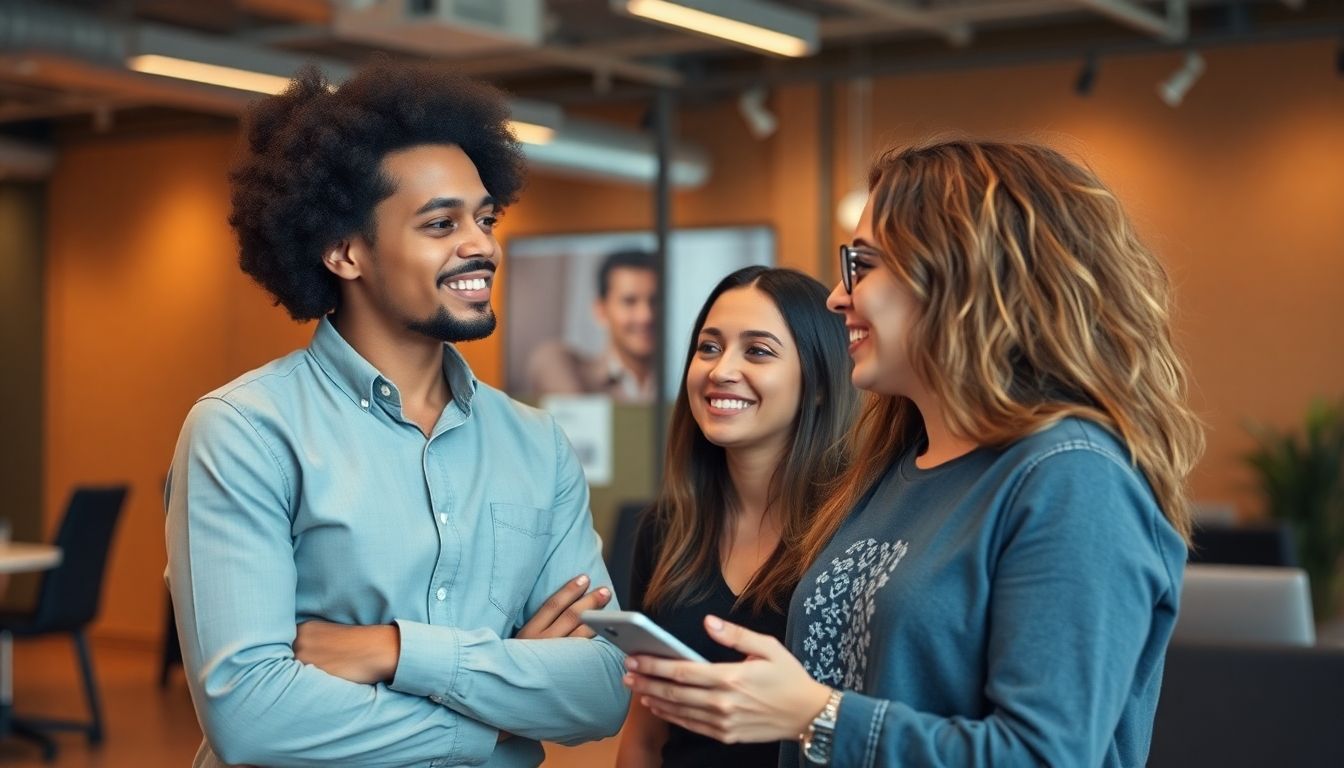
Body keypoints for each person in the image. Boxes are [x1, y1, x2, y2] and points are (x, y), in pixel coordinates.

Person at [623, 139, 1205, 767]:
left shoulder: (1072, 479)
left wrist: (812, 716)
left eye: (864, 266)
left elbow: (1046, 755)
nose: (837, 297)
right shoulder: (893, 467)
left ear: (961, 276)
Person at [164, 62, 627, 767]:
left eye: (485, 217)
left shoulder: (537, 444)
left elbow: (600, 689)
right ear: (346, 252)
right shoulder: (245, 432)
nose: (482, 245)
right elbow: (251, 715)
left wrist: (393, 651)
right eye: (441, 223)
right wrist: (495, 711)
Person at [616, 266, 857, 768]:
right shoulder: (667, 529)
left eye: (758, 350)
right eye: (709, 347)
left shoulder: (860, 530)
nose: (721, 370)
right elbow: (645, 735)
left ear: (818, 381)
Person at [527, 249, 658, 403]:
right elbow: (545, 360)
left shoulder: (682, 380)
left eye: (655, 301)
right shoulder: (571, 372)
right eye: (629, 302)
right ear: (601, 310)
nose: (646, 316)